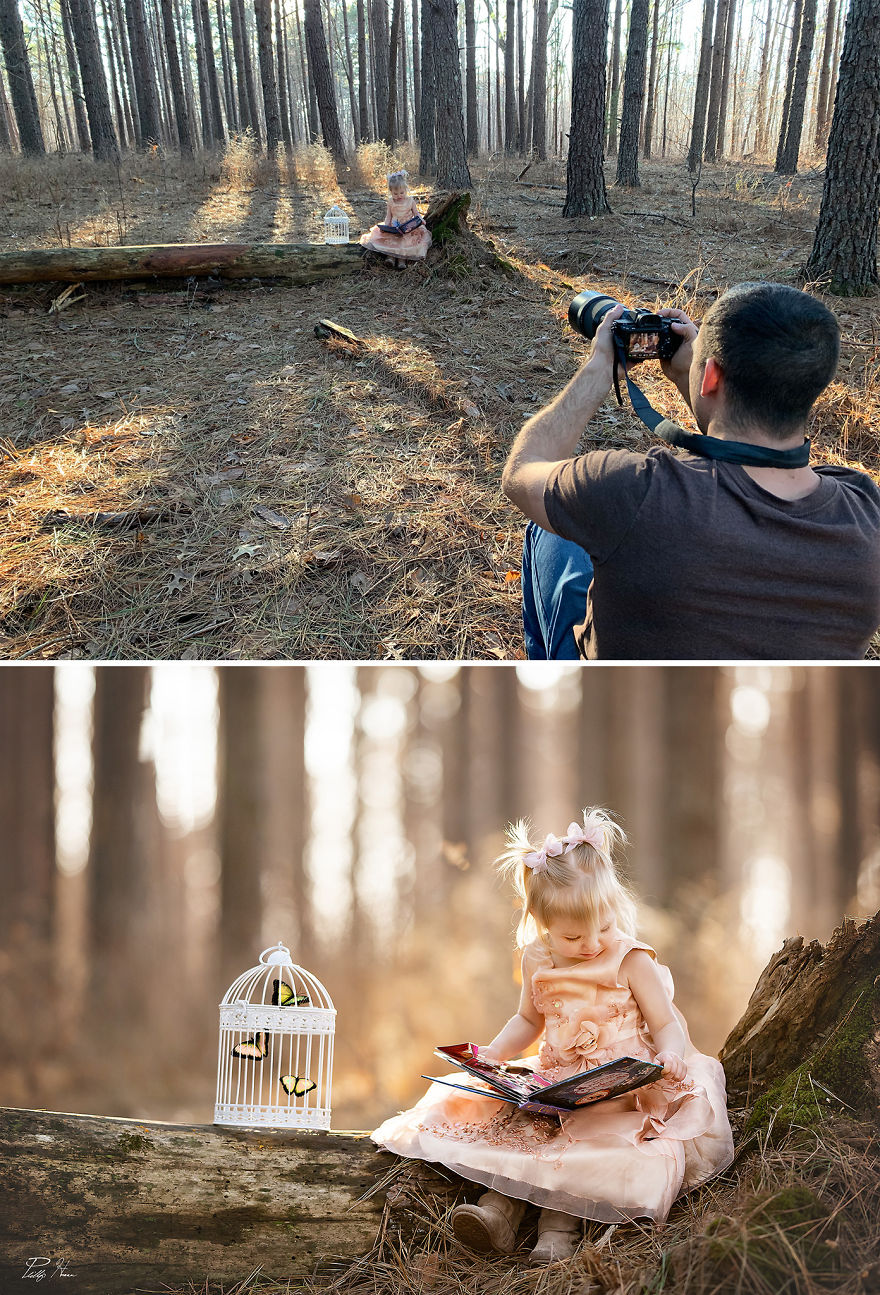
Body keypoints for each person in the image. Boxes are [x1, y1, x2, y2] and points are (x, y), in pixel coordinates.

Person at [371, 808, 734, 1266]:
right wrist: (493, 1055)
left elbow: (665, 1022)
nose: (590, 944)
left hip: (618, 1090)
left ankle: (557, 1233)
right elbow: (527, 1019)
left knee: (587, 1150)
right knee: (523, 1131)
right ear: (544, 925)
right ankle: (495, 1214)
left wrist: (671, 1055)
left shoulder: (630, 959)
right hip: (557, 1082)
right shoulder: (538, 960)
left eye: (602, 926)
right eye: (572, 936)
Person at [502, 282, 880, 659]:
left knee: (553, 532)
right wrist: (694, 377)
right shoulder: (865, 513)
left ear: (712, 376)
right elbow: (748, 458)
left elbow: (522, 471)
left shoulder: (635, 491)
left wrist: (600, 370)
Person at [359, 170, 432, 269]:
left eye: (402, 193)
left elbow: (416, 214)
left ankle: (402, 261)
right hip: (394, 227)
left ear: (406, 189)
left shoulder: (410, 201)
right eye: (395, 194)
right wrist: (386, 226)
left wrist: (421, 221)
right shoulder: (390, 202)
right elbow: (388, 216)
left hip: (408, 228)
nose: (399, 196)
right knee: (392, 241)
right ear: (391, 192)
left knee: (405, 242)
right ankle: (390, 258)